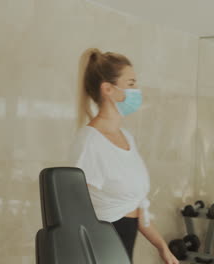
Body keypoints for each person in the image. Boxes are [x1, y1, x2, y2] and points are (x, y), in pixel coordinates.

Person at [69, 48, 179, 264]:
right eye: (131, 84)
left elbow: (134, 205)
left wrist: (162, 247)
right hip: (100, 250)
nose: (137, 90)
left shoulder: (126, 138)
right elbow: (74, 211)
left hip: (122, 250)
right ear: (108, 89)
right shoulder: (90, 143)